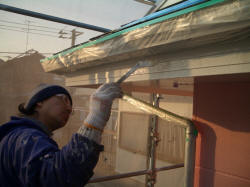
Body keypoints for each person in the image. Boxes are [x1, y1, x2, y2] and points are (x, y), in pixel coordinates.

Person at [0, 83, 122, 187]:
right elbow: (56, 178)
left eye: (71, 109)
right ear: (39, 102)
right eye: (64, 100)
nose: (69, 109)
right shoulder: (26, 137)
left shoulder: (19, 136)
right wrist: (96, 119)